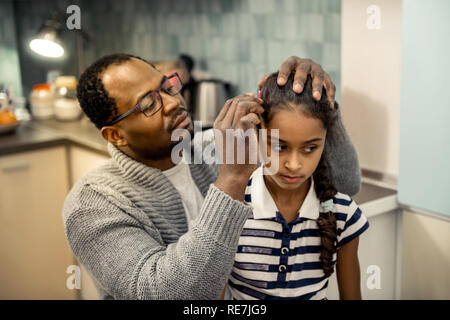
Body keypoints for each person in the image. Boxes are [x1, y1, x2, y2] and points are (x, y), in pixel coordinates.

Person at [62, 53, 360, 299]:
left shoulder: (218, 147)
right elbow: (161, 293)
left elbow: (341, 185)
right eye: (149, 104)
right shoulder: (92, 205)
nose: (173, 102)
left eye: (167, 87)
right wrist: (231, 181)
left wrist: (324, 106)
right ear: (116, 135)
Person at [219, 72, 369, 300]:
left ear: (324, 141)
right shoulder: (229, 209)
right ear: (257, 133)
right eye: (280, 147)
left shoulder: (342, 213)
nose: (294, 164)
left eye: (310, 148)